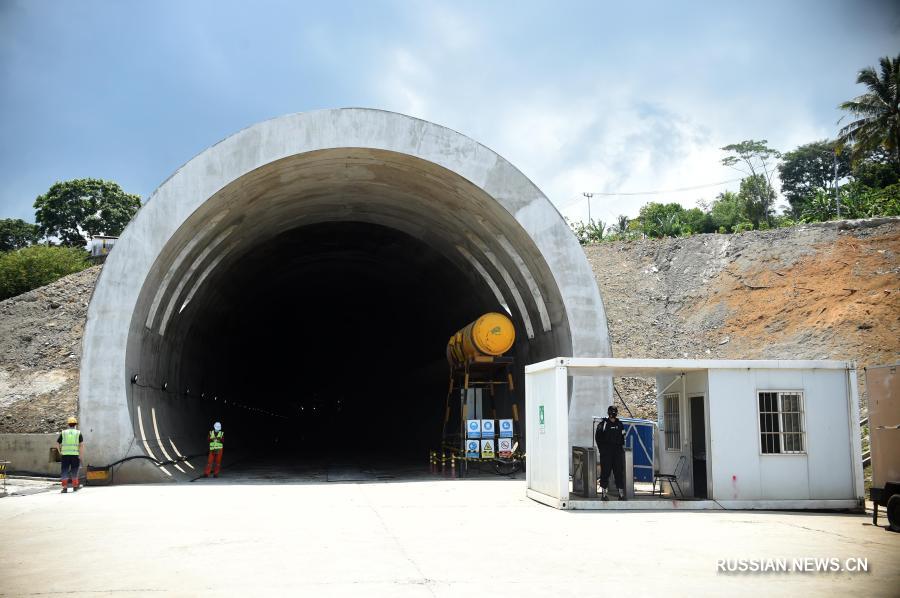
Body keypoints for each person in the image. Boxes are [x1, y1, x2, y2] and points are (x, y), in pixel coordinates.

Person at [595, 405, 626, 501]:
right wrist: (602, 450)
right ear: (609, 413)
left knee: (618, 472)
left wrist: (620, 448)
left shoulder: (620, 424)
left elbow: (623, 436)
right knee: (605, 472)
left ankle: (621, 494)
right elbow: (598, 438)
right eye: (612, 412)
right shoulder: (603, 424)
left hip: (617, 452)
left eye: (614, 412)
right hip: (606, 452)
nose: (613, 414)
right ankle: (603, 494)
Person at [57, 416, 83, 493]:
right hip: (75, 455)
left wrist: (60, 452)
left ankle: (65, 488)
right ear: (75, 425)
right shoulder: (78, 433)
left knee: (64, 470)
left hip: (65, 455)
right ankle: (75, 487)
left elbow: (57, 443)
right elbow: (81, 445)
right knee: (74, 470)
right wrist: (80, 455)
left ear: (68, 424)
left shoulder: (63, 433)